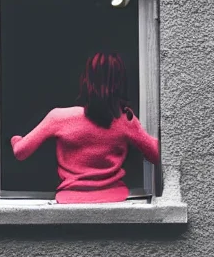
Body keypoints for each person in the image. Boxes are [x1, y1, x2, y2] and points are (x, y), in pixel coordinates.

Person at [10, 52, 159, 204]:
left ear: (86, 80)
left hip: (71, 199)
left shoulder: (58, 117)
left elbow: (20, 152)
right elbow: (157, 154)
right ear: (120, 84)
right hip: (113, 198)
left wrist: (16, 139)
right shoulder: (125, 120)